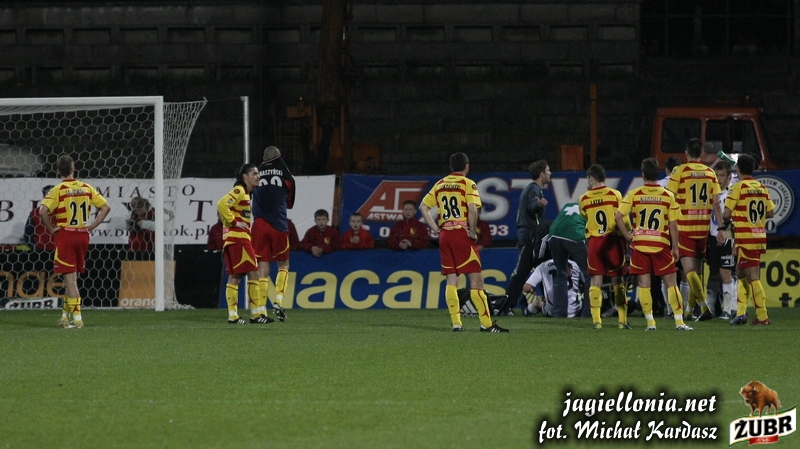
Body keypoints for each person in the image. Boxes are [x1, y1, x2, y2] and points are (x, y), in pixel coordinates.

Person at [419, 152, 508, 332]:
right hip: (461, 233)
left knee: (452, 279)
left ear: (450, 167)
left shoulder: (440, 184)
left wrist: (435, 228)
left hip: (445, 234)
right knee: (476, 280)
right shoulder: (468, 184)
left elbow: (423, 207)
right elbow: (473, 210)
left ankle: (456, 323)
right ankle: (486, 324)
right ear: (467, 166)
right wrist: (473, 232)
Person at [615, 157, 691, 331]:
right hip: (660, 244)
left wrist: (628, 236)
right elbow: (673, 224)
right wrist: (675, 247)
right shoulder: (667, 195)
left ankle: (650, 323)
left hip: (640, 243)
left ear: (643, 175)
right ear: (658, 174)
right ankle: (679, 321)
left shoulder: (634, 194)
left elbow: (618, 216)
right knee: (671, 282)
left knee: (644, 284)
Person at [39, 155, 111, 329]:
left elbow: (42, 211)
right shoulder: (87, 188)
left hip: (66, 235)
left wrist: (51, 228)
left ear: (58, 171)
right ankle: (65, 316)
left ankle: (77, 319)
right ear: (74, 169)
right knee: (71, 278)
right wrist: (92, 226)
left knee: (70, 280)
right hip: (83, 236)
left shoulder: (57, 190)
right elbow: (105, 207)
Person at [666, 138, 723, 322]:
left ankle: (704, 307)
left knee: (689, 271)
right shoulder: (710, 173)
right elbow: (716, 203)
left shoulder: (680, 171)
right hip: (703, 228)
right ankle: (689, 311)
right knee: (696, 272)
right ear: (702, 153)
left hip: (684, 226)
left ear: (686, 153)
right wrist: (721, 228)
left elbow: (670, 198)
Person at [720, 153, 775, 326]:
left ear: (738, 168)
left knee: (752, 276)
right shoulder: (761, 187)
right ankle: (741, 313)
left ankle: (763, 316)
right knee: (740, 273)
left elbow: (726, 214)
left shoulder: (737, 188)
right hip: (759, 236)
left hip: (746, 238)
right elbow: (771, 212)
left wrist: (733, 220)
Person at [217, 163, 274, 325]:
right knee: (254, 274)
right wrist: (234, 222)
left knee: (235, 277)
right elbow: (222, 204)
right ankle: (256, 315)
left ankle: (233, 316)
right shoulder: (240, 190)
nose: (258, 176)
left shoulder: (247, 194)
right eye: (254, 174)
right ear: (245, 177)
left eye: (258, 173)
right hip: (238, 239)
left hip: (233, 239)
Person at [579, 164, 630, 329]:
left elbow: (584, 214)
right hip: (612, 240)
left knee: (596, 280)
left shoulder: (584, 198)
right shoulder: (615, 195)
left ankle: (597, 321)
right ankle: (622, 320)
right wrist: (628, 234)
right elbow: (623, 218)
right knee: (618, 280)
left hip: (595, 242)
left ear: (591, 178)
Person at [251, 146, 295, 321]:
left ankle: (261, 309)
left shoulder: (254, 173)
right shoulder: (286, 174)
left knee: (262, 266)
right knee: (283, 264)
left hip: (259, 224)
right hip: (278, 225)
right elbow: (290, 203)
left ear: (263, 158)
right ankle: (278, 300)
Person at [505, 160, 550, 313]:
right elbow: (532, 206)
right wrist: (539, 205)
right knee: (523, 272)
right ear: (542, 174)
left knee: (537, 269)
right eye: (548, 170)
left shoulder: (532, 188)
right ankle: (506, 305)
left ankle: (510, 305)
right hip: (531, 236)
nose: (550, 173)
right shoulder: (534, 189)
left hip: (529, 235)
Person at [547, 202, 590, 320]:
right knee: (591, 274)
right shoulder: (591, 208)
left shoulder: (568, 205)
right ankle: (588, 313)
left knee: (561, 274)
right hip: (574, 236)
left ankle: (559, 314)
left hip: (553, 236)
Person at [707, 160, 737, 319]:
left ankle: (728, 309)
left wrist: (728, 235)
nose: (719, 179)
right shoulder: (712, 193)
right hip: (712, 236)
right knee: (713, 273)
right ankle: (710, 309)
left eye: (722, 175)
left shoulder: (732, 193)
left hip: (728, 238)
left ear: (729, 176)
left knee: (726, 272)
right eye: (717, 176)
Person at [23, 184, 56, 251]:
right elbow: (28, 234)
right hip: (41, 250)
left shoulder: (65, 212)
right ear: (44, 197)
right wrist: (35, 248)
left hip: (61, 250)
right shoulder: (35, 213)